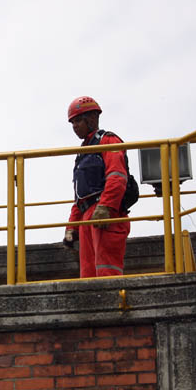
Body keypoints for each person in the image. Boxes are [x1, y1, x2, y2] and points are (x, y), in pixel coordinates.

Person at [63, 96, 131, 278]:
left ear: (92, 118)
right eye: (72, 123)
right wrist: (72, 226)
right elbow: (80, 196)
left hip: (106, 214)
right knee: (88, 275)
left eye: (78, 120)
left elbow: (117, 177)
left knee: (107, 270)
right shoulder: (83, 152)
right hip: (88, 217)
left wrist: (106, 206)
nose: (75, 126)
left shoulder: (108, 140)